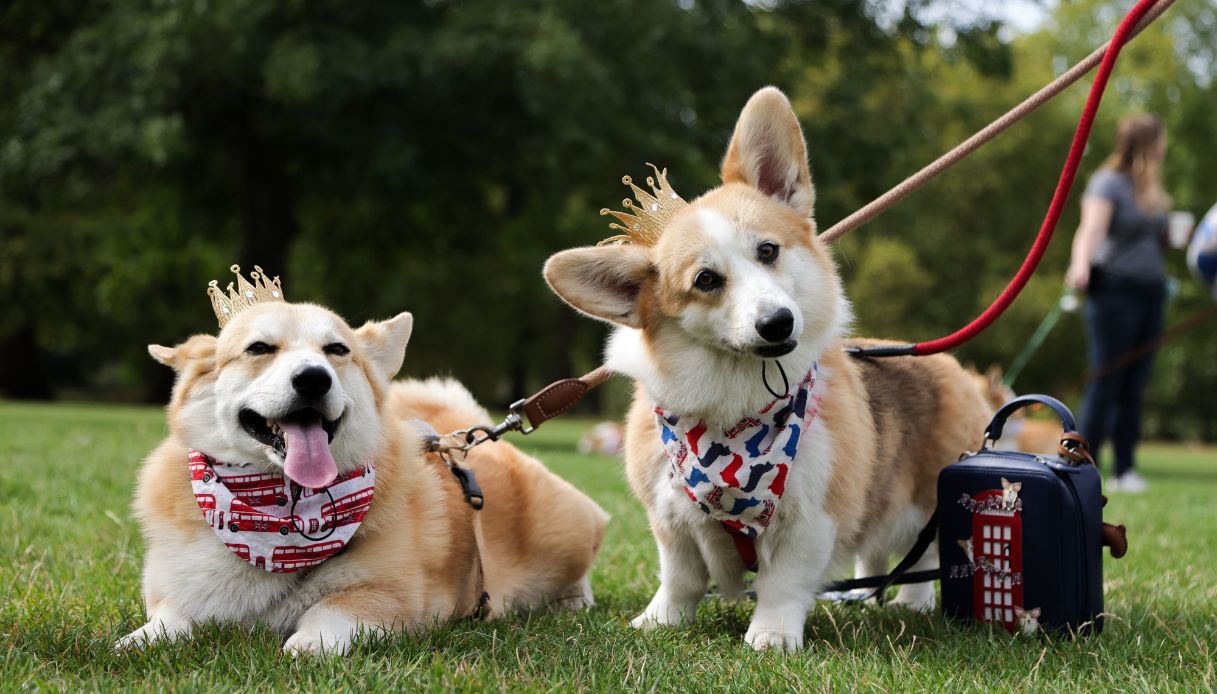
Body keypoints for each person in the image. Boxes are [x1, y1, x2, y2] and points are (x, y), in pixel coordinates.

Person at [1065, 114, 1174, 493]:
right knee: (1106, 381)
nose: (1164, 147)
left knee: (1134, 385)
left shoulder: (1151, 190)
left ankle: (1125, 469)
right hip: (1114, 290)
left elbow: (1156, 239)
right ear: (1148, 142)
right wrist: (1080, 265)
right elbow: (1090, 229)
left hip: (1151, 293)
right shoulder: (1107, 181)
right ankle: (1083, 466)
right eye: (1161, 140)